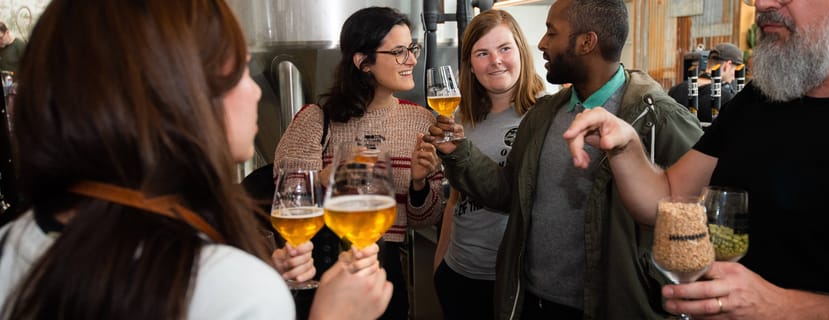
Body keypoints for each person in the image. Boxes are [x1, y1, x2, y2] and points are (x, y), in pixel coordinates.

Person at [0, 0, 391, 319]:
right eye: (241, 70)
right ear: (180, 93)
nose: (256, 91)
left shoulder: (12, 242)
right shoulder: (234, 290)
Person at [563, 0, 829, 318]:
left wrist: (781, 306)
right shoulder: (761, 98)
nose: (762, 3)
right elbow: (668, 199)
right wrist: (625, 144)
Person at [425, 0, 703, 318]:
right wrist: (458, 151)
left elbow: (702, 220)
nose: (542, 43)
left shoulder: (657, 118)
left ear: (586, 42)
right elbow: (507, 193)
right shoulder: (544, 114)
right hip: (532, 304)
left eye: (551, 32)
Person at [274, 6, 444, 320]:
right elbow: (287, 197)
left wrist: (419, 183)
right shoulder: (316, 119)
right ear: (363, 61)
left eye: (412, 49)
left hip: (386, 268)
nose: (411, 60)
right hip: (325, 265)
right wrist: (326, 177)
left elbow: (424, 219)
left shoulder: (421, 122)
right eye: (399, 51)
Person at [430, 9, 544, 320]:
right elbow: (455, 198)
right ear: (470, 65)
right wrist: (440, 263)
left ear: (521, 51)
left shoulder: (543, 116)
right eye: (482, 53)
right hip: (460, 274)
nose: (495, 61)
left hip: (516, 283)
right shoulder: (462, 119)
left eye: (504, 48)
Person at [667, 43, 744, 123]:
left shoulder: (675, 90)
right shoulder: (725, 97)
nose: (734, 77)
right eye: (736, 70)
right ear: (727, 66)